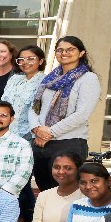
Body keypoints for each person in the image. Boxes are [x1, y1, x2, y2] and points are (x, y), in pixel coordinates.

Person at [29, 36, 100, 192]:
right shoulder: (50, 77)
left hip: (68, 143)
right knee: (46, 191)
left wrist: (49, 132)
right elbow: (34, 106)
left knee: (66, 192)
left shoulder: (88, 79)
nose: (64, 53)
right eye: (60, 50)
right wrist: (36, 129)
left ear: (81, 53)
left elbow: (81, 114)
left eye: (70, 49)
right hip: (40, 143)